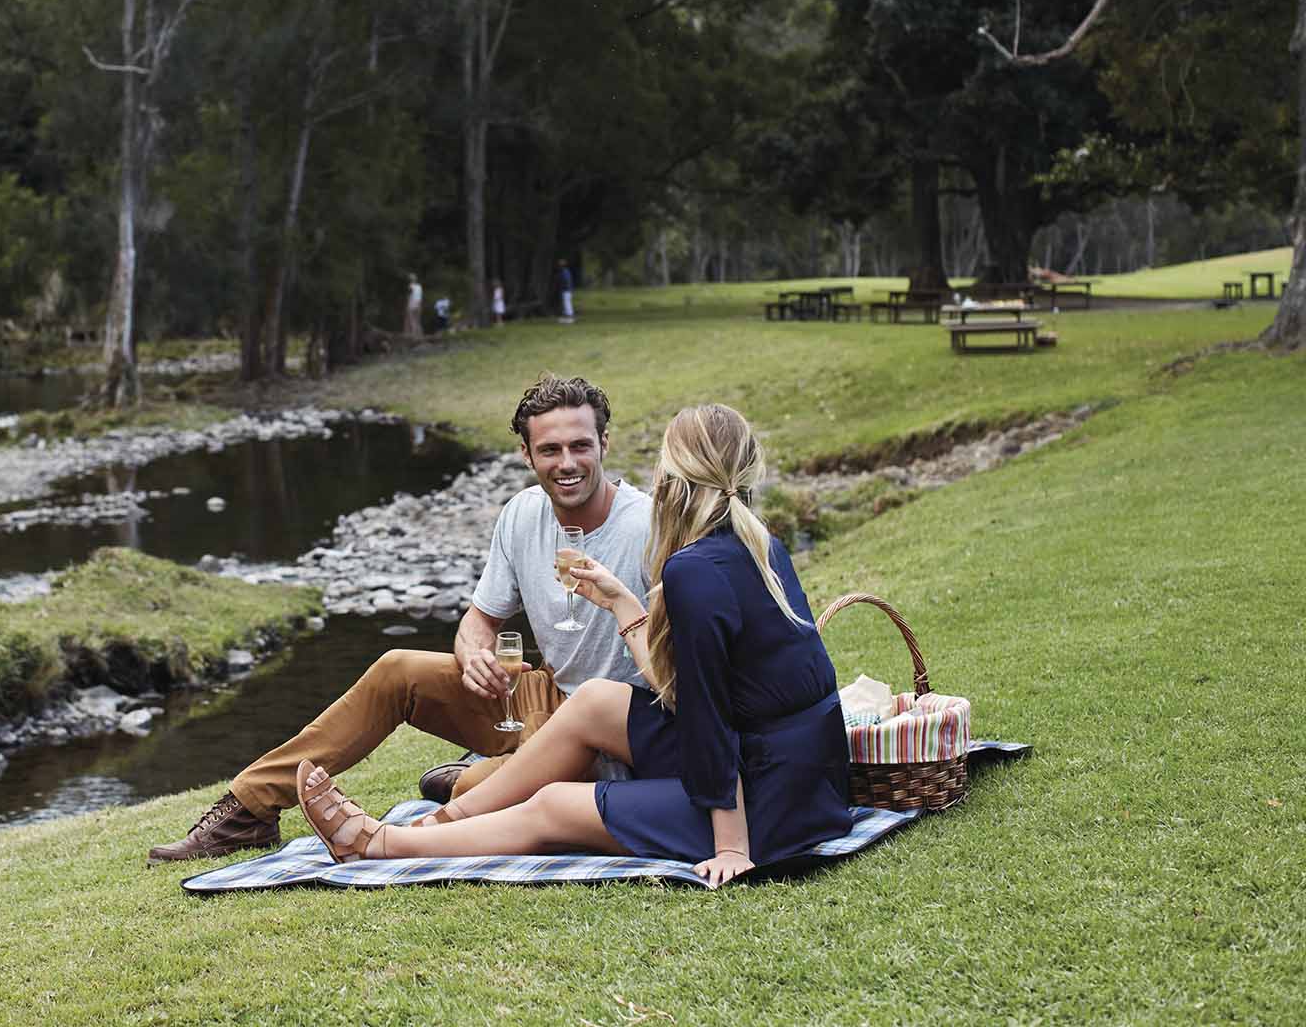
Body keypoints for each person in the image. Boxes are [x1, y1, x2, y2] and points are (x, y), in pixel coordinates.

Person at [292, 403, 853, 887]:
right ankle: (441, 824)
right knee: (595, 702)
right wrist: (621, 603)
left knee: (553, 805)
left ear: (675, 474)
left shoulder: (693, 570)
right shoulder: (757, 543)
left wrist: (731, 845)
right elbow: (696, 690)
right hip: (808, 778)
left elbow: (709, 717)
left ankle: (377, 845)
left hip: (767, 808)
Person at [148, 375, 656, 862]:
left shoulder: (649, 526)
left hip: (611, 728)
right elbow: (480, 617)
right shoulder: (522, 514)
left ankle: (461, 782)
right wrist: (474, 655)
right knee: (398, 669)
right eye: (550, 450)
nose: (567, 463)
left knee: (492, 795)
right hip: (541, 697)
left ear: (604, 443)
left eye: (580, 446)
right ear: (526, 454)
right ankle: (248, 810)